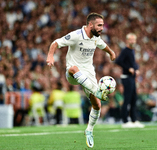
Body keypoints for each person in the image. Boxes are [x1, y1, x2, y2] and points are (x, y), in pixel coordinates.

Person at [46, 12, 116, 148]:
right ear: (90, 24)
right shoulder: (76, 35)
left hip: (88, 73)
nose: (102, 28)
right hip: (73, 73)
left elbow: (103, 45)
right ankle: (97, 91)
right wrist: (50, 56)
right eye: (99, 25)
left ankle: (89, 130)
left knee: (97, 106)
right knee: (73, 68)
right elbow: (56, 43)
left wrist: (111, 52)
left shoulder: (96, 37)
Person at [115, 33, 145, 128]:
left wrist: (136, 68)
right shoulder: (125, 50)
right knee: (127, 99)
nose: (132, 41)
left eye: (134, 40)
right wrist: (129, 68)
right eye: (130, 40)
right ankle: (125, 121)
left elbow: (133, 63)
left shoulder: (132, 50)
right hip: (126, 77)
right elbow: (118, 61)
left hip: (131, 78)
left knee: (133, 99)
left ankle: (134, 120)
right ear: (127, 40)